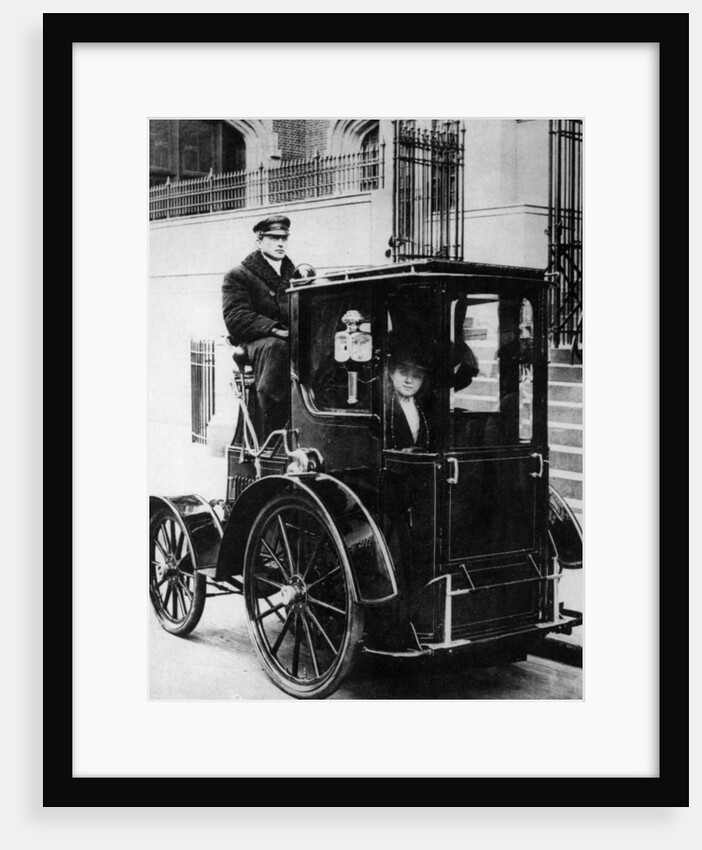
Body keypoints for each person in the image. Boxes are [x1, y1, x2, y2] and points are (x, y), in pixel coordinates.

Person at [222, 214, 295, 436]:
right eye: (273, 238)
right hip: (257, 341)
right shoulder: (239, 275)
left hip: (292, 335)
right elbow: (235, 316)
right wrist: (273, 328)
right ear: (259, 241)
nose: (280, 243)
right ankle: (274, 429)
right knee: (276, 348)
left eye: (284, 238)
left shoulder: (296, 274)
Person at [388, 349, 432, 451]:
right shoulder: (384, 405)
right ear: (391, 374)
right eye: (403, 372)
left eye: (416, 376)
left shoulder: (425, 406)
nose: (409, 380)